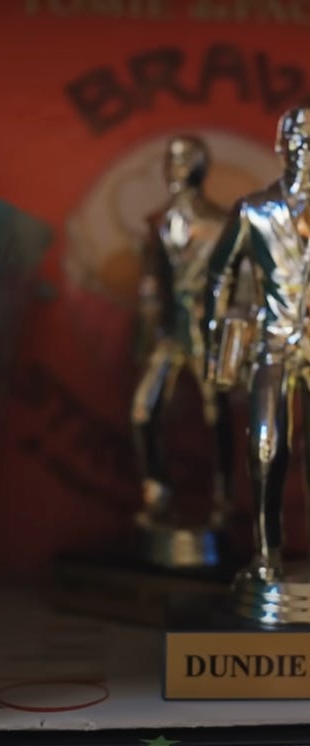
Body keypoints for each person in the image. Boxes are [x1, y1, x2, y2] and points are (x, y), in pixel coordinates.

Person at [205, 106, 310, 587]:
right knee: (266, 444)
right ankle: (267, 554)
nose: (304, 147)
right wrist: (220, 334)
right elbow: (219, 271)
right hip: (271, 343)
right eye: (297, 138)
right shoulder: (255, 210)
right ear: (280, 144)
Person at [132, 135, 232, 538]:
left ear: (200, 167)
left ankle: (225, 502)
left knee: (218, 416)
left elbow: (235, 282)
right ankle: (157, 496)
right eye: (170, 160)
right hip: (169, 337)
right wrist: (145, 336)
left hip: (207, 336)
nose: (175, 169)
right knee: (143, 410)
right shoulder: (156, 222)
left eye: (184, 160)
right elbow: (150, 283)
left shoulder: (223, 222)